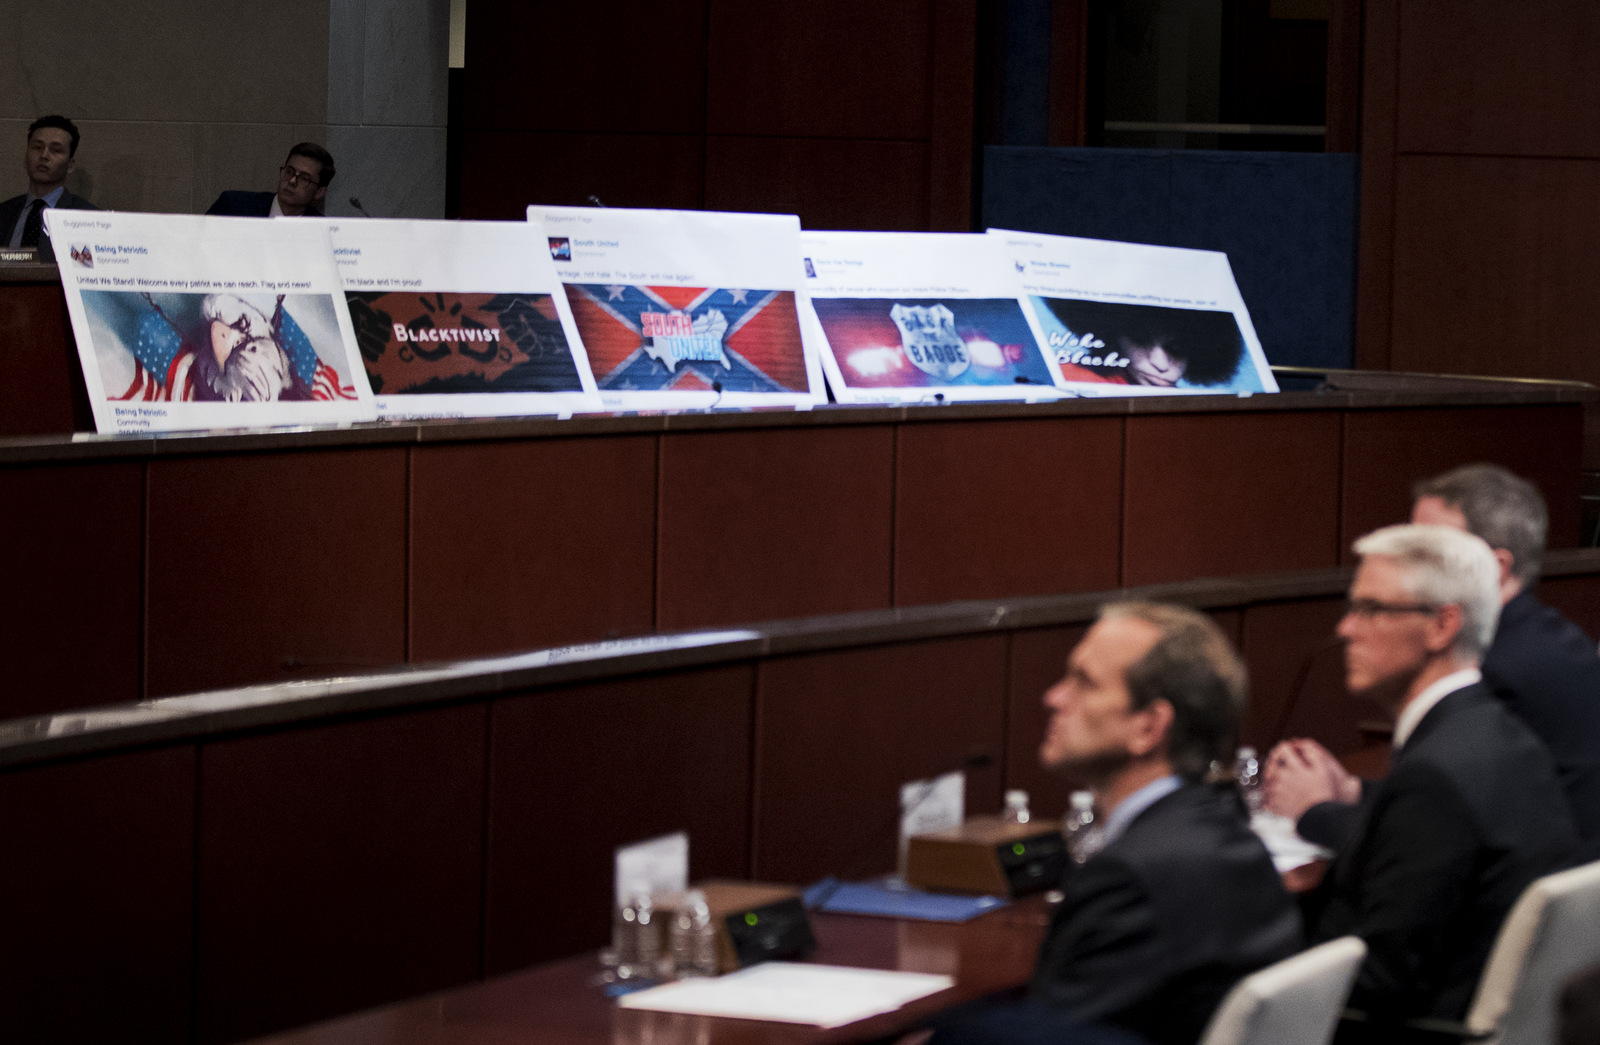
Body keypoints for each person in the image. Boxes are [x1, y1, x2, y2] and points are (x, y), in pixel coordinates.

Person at [932, 602, 1302, 1045]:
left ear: (1148, 726)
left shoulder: (1130, 877)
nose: (1054, 697)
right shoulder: (1230, 838)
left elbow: (1052, 1037)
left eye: (1083, 683)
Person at [1292, 525, 1575, 1023]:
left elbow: (1379, 983)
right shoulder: (1502, 735)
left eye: (1371, 609)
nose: (1345, 629)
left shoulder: (1437, 775)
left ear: (1442, 626)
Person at [1270, 464, 1600, 852]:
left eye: (1428, 551)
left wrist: (1314, 811)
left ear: (1494, 568)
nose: (1405, 564)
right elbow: (1450, 804)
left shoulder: (1492, 672)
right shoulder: (1549, 637)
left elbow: (1425, 843)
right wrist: (1354, 789)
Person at [1043, 299, 1247, 388]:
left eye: (1175, 349)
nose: (1160, 364)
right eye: (1140, 340)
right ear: (1114, 335)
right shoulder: (1072, 380)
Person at [0, 115, 98, 258]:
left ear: (70, 164)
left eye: (55, 150)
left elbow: (86, 270)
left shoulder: (87, 218)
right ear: (26, 157)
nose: (44, 155)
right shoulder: (4, 212)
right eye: (37, 147)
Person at [205, 143, 335, 218]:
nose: (292, 181)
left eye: (304, 178)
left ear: (320, 191)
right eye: (289, 172)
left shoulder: (323, 229)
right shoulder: (233, 206)